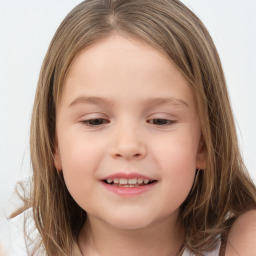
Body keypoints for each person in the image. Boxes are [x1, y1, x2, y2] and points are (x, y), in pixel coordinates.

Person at [10, 0, 256, 255]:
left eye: (161, 120)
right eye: (95, 121)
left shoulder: (243, 244)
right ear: (54, 143)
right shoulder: (19, 247)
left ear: (205, 143)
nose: (127, 146)